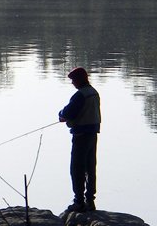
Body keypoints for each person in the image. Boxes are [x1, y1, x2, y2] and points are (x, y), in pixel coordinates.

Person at [58, 67, 101, 212]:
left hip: (80, 136)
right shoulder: (94, 92)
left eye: (73, 80)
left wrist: (61, 114)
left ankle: (79, 202)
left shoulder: (80, 95)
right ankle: (90, 201)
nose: (72, 83)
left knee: (77, 169)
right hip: (93, 134)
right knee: (90, 167)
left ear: (79, 80)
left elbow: (68, 113)